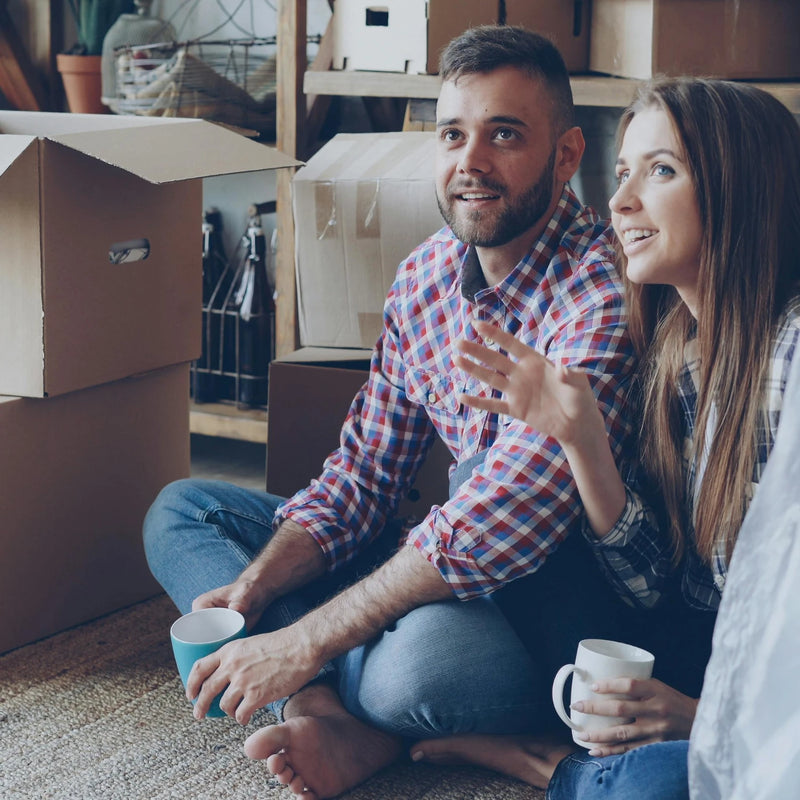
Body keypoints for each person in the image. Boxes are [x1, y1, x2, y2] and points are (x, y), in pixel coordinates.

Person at [143, 25, 641, 800]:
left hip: (536, 605)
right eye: (452, 135)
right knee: (186, 511)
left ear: (568, 155)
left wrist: (305, 636)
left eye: (503, 135)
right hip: (434, 560)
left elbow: (502, 519)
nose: (470, 162)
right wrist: (261, 588)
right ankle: (317, 708)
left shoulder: (600, 292)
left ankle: (356, 708)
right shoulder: (424, 278)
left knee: (407, 677)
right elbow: (365, 476)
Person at [411, 77, 800, 798]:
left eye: (661, 171)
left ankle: (554, 766)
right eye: (624, 173)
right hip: (706, 649)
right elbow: (656, 588)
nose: (620, 203)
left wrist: (700, 719)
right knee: (496, 490)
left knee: (651, 786)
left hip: (768, 687)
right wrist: (580, 440)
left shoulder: (791, 355)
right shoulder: (677, 353)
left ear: (742, 188)